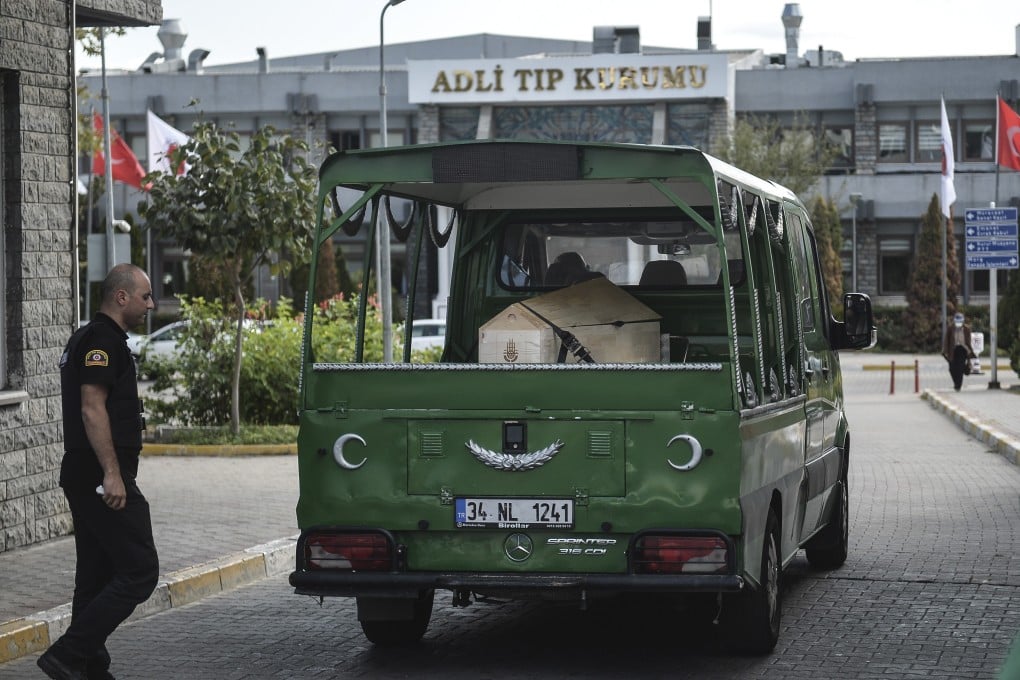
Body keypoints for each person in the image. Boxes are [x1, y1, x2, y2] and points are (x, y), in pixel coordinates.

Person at [38, 264, 159, 680]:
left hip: (86, 473)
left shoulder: (93, 338)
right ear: (121, 297)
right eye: (145, 295)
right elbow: (92, 407)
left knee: (94, 574)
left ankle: (87, 665)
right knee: (140, 570)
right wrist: (112, 474)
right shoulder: (101, 341)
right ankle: (71, 654)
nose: (151, 304)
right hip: (98, 474)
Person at [942, 311, 976, 392]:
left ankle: (958, 385)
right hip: (953, 349)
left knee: (959, 368)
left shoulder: (967, 329)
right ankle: (956, 382)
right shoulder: (950, 328)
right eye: (957, 321)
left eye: (960, 321)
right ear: (954, 321)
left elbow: (968, 341)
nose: (958, 323)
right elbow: (947, 340)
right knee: (952, 368)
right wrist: (945, 350)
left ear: (963, 321)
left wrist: (970, 351)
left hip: (962, 349)